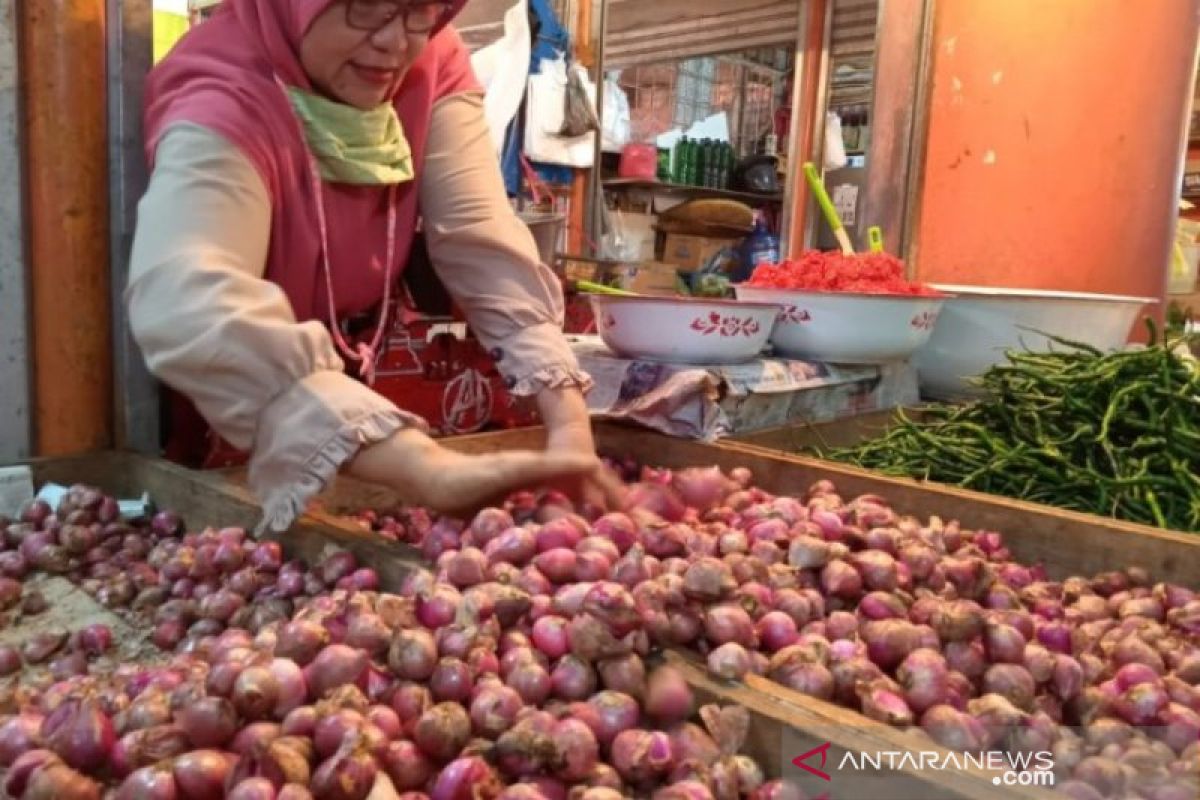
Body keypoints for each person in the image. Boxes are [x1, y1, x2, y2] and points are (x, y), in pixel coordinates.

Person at [127, 0, 622, 533]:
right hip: (237, 399)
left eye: (421, 11)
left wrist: (570, 431)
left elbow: (479, 236)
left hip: (354, 394)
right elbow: (188, 297)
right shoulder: (223, 90)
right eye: (365, 8)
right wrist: (423, 468)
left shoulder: (430, 58)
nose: (395, 42)